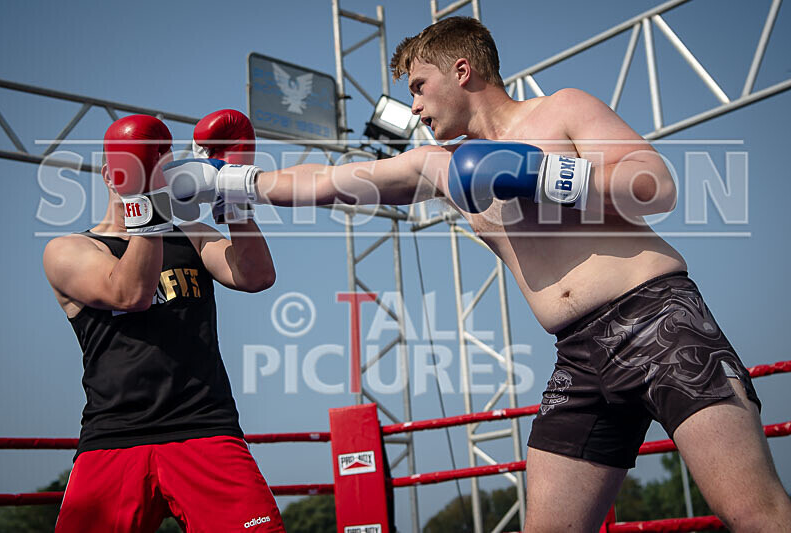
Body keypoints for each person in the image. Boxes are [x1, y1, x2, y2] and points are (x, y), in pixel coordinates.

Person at [170, 18, 791, 532]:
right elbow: (329, 184)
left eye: (418, 85)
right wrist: (232, 181)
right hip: (577, 357)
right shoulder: (438, 165)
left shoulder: (561, 110)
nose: (411, 105)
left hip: (658, 322)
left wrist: (545, 176)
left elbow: (655, 185)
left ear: (461, 71)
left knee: (754, 514)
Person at [43, 113, 285, 532]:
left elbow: (255, 276)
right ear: (109, 174)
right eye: (147, 166)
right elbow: (129, 293)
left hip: (205, 429)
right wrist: (150, 203)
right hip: (114, 438)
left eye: (163, 168)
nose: (160, 178)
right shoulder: (68, 250)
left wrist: (234, 197)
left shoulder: (191, 233)